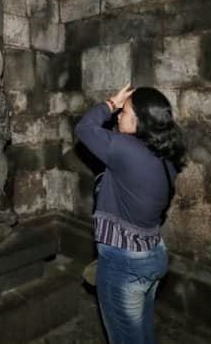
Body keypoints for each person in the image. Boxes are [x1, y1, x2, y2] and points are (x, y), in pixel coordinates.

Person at [75, 84, 185, 344]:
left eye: (124, 112)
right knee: (142, 333)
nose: (118, 116)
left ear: (138, 121)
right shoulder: (165, 157)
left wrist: (111, 102)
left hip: (124, 263)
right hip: (153, 254)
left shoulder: (124, 148)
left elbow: (84, 128)